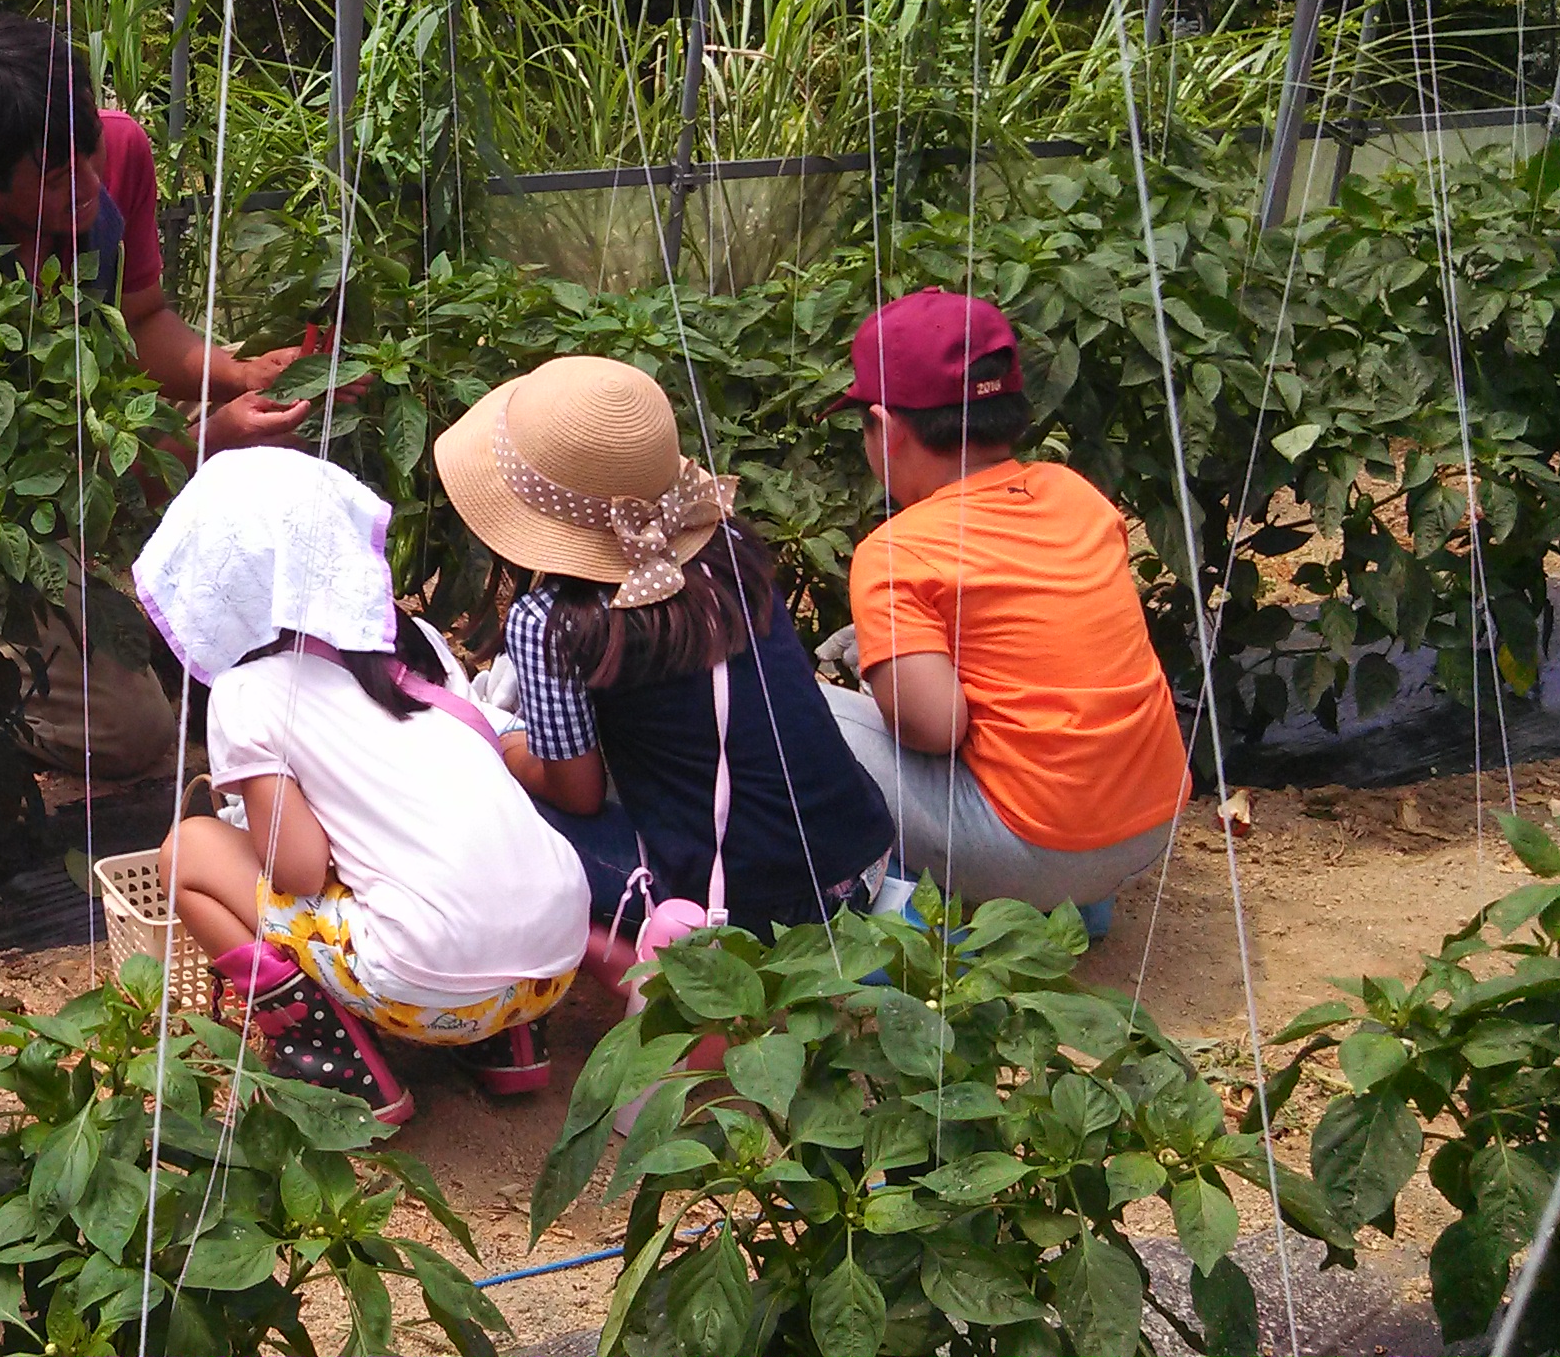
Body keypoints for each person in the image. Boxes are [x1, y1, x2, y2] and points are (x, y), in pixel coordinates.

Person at [0, 13, 319, 784]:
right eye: (58, 179)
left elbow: (142, 319)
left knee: (271, 453)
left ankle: (136, 633)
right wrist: (208, 441)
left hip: (74, 461)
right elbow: (45, 497)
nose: (91, 185)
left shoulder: (116, 147)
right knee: (129, 734)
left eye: (87, 153)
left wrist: (242, 374)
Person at [140, 448, 588, 1123]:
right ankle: (506, 1048)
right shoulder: (412, 646)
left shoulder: (247, 691)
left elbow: (299, 870)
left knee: (189, 851)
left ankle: (336, 1061)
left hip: (428, 983)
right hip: (554, 962)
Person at [434, 357, 895, 951]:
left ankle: (633, 965)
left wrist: (507, 749)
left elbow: (577, 793)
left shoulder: (550, 620)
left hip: (757, 904)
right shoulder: (727, 541)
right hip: (861, 853)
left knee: (492, 811)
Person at [822, 289, 1191, 933]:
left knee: (792, 709)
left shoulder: (896, 551)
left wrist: (875, 672)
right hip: (1150, 827)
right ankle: (1073, 910)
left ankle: (900, 917)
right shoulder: (1075, 494)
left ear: (887, 428)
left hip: (1038, 849)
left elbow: (934, 728)